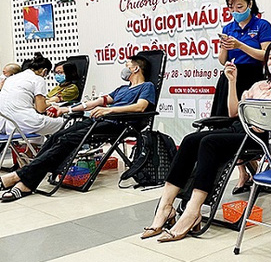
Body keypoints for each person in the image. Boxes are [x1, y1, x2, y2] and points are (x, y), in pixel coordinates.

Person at [142, 40, 271, 243]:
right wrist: (233, 81)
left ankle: (193, 211)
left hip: (263, 136)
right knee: (191, 140)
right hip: (240, 128)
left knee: (209, 142)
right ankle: (165, 207)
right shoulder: (259, 86)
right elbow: (234, 112)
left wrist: (254, 109)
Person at [0, 55, 156, 202]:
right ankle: (26, 182)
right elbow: (95, 103)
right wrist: (67, 110)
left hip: (118, 124)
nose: (124, 68)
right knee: (56, 136)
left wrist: (110, 110)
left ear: (135, 69)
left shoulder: (146, 86)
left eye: (127, 65)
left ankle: (19, 178)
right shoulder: (122, 89)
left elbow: (140, 107)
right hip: (100, 120)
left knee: (67, 140)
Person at [216, 0, 271, 189]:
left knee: (248, 125)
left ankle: (258, 167)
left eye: (240, 6)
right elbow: (222, 60)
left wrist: (240, 46)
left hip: (253, 77)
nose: (236, 11)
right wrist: (224, 48)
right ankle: (243, 173)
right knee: (227, 124)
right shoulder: (228, 28)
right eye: (231, 8)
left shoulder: (262, 25)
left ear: (250, 4)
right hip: (231, 77)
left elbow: (266, 56)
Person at [0, 53, 64, 136]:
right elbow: (40, 109)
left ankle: (32, 149)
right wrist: (52, 104)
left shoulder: (11, 78)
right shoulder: (38, 79)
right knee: (63, 123)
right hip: (23, 124)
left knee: (39, 131)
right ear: (44, 71)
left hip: (4, 125)